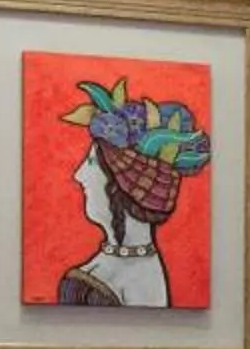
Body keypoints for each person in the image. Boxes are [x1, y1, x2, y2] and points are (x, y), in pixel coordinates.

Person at [54, 76, 210, 308]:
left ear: (126, 185)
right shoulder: (145, 267)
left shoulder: (112, 281)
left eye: (91, 162)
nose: (79, 175)